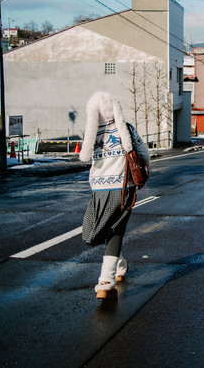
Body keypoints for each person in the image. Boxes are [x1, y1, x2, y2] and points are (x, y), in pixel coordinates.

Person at [79, 91, 150, 300]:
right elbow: (143, 153)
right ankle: (106, 281)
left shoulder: (90, 133)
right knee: (115, 230)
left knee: (104, 228)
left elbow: (84, 156)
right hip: (122, 188)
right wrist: (145, 170)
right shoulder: (125, 129)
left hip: (98, 189)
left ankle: (118, 267)